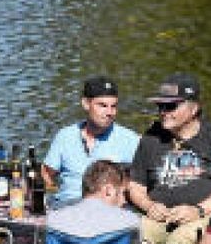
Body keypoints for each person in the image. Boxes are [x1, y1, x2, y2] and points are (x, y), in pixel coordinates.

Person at [127, 73, 211, 244]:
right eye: (160, 107)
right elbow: (135, 186)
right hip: (156, 216)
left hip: (198, 218)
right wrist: (148, 206)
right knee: (142, 237)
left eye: (171, 107)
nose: (163, 113)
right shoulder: (152, 137)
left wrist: (199, 210)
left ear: (193, 109)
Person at [42, 75, 140, 207]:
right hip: (66, 208)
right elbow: (46, 173)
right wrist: (51, 194)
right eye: (102, 105)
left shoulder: (130, 140)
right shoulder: (65, 136)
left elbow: (141, 182)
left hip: (107, 213)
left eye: (113, 106)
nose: (109, 112)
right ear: (86, 104)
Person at [46, 160, 139, 238]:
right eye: (123, 194)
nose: (124, 201)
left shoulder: (52, 221)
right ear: (109, 190)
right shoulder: (131, 223)